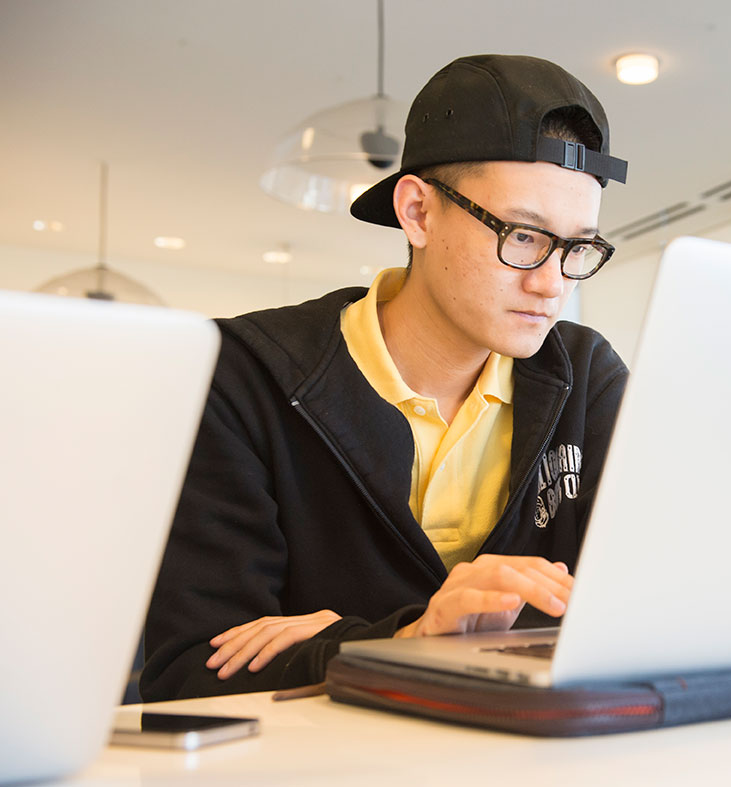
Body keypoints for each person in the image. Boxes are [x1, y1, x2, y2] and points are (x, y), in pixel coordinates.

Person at [140, 54, 630, 700]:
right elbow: (188, 669)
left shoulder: (585, 374)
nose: (550, 283)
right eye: (522, 236)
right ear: (418, 213)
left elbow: (638, 611)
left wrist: (335, 641)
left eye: (577, 248)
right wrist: (403, 638)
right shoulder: (244, 375)